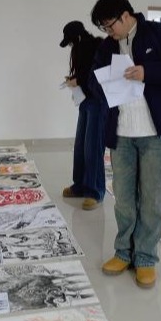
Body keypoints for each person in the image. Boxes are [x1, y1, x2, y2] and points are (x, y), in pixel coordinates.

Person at [89, 0, 161, 288]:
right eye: (103, 28)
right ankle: (123, 252)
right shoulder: (107, 47)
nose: (108, 32)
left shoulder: (160, 35)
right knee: (124, 199)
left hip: (155, 134)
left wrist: (149, 72)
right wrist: (104, 83)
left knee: (151, 199)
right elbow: (93, 82)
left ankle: (146, 257)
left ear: (125, 16)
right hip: (122, 133)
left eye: (109, 25)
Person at [59, 21, 107, 210]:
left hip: (97, 101)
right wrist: (75, 79)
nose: (70, 46)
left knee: (92, 147)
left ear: (78, 37)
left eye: (71, 41)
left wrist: (78, 80)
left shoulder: (96, 47)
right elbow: (84, 72)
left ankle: (95, 191)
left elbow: (97, 76)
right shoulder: (80, 48)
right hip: (86, 100)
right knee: (80, 145)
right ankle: (79, 185)